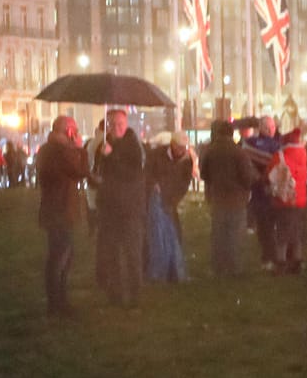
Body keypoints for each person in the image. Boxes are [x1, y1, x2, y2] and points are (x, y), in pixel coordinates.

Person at [36, 115, 89, 317]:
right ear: (67, 130)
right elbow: (80, 171)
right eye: (74, 129)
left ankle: (58, 300)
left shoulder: (50, 150)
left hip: (58, 209)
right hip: (59, 210)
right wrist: (80, 149)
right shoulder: (58, 151)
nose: (75, 133)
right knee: (60, 257)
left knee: (62, 256)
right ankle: (56, 303)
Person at [96, 109, 145, 308]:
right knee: (111, 253)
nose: (117, 128)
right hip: (109, 207)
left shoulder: (133, 145)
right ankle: (114, 294)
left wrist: (112, 156)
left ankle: (135, 296)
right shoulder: (104, 145)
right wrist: (102, 159)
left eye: (120, 124)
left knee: (132, 253)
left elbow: (132, 174)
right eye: (113, 124)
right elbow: (99, 171)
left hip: (129, 207)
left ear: (126, 125)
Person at [201, 119, 258, 276]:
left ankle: (218, 267)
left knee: (219, 235)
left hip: (218, 198)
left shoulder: (210, 151)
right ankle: (235, 267)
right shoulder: (239, 152)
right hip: (237, 199)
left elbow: (203, 173)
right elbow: (247, 176)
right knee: (235, 234)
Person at [145, 132, 197, 282]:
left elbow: (183, 185)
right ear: (172, 145)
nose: (182, 151)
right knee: (157, 235)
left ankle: (170, 271)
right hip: (154, 199)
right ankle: (159, 270)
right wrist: (153, 184)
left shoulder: (186, 161)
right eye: (180, 147)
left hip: (169, 201)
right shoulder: (157, 155)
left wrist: (172, 200)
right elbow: (148, 173)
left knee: (172, 234)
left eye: (184, 148)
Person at [266, 127, 307, 274]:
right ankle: (297, 261)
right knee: (296, 232)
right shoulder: (303, 155)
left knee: (282, 233)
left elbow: (269, 173)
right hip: (300, 200)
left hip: (284, 200)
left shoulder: (280, 156)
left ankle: (281, 263)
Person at [243, 116, 281, 270]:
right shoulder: (272, 145)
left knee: (266, 227)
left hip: (262, 190)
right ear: (262, 127)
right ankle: (270, 257)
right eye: (269, 127)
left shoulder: (251, 143)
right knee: (267, 226)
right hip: (265, 190)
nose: (272, 130)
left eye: (273, 127)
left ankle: (269, 257)